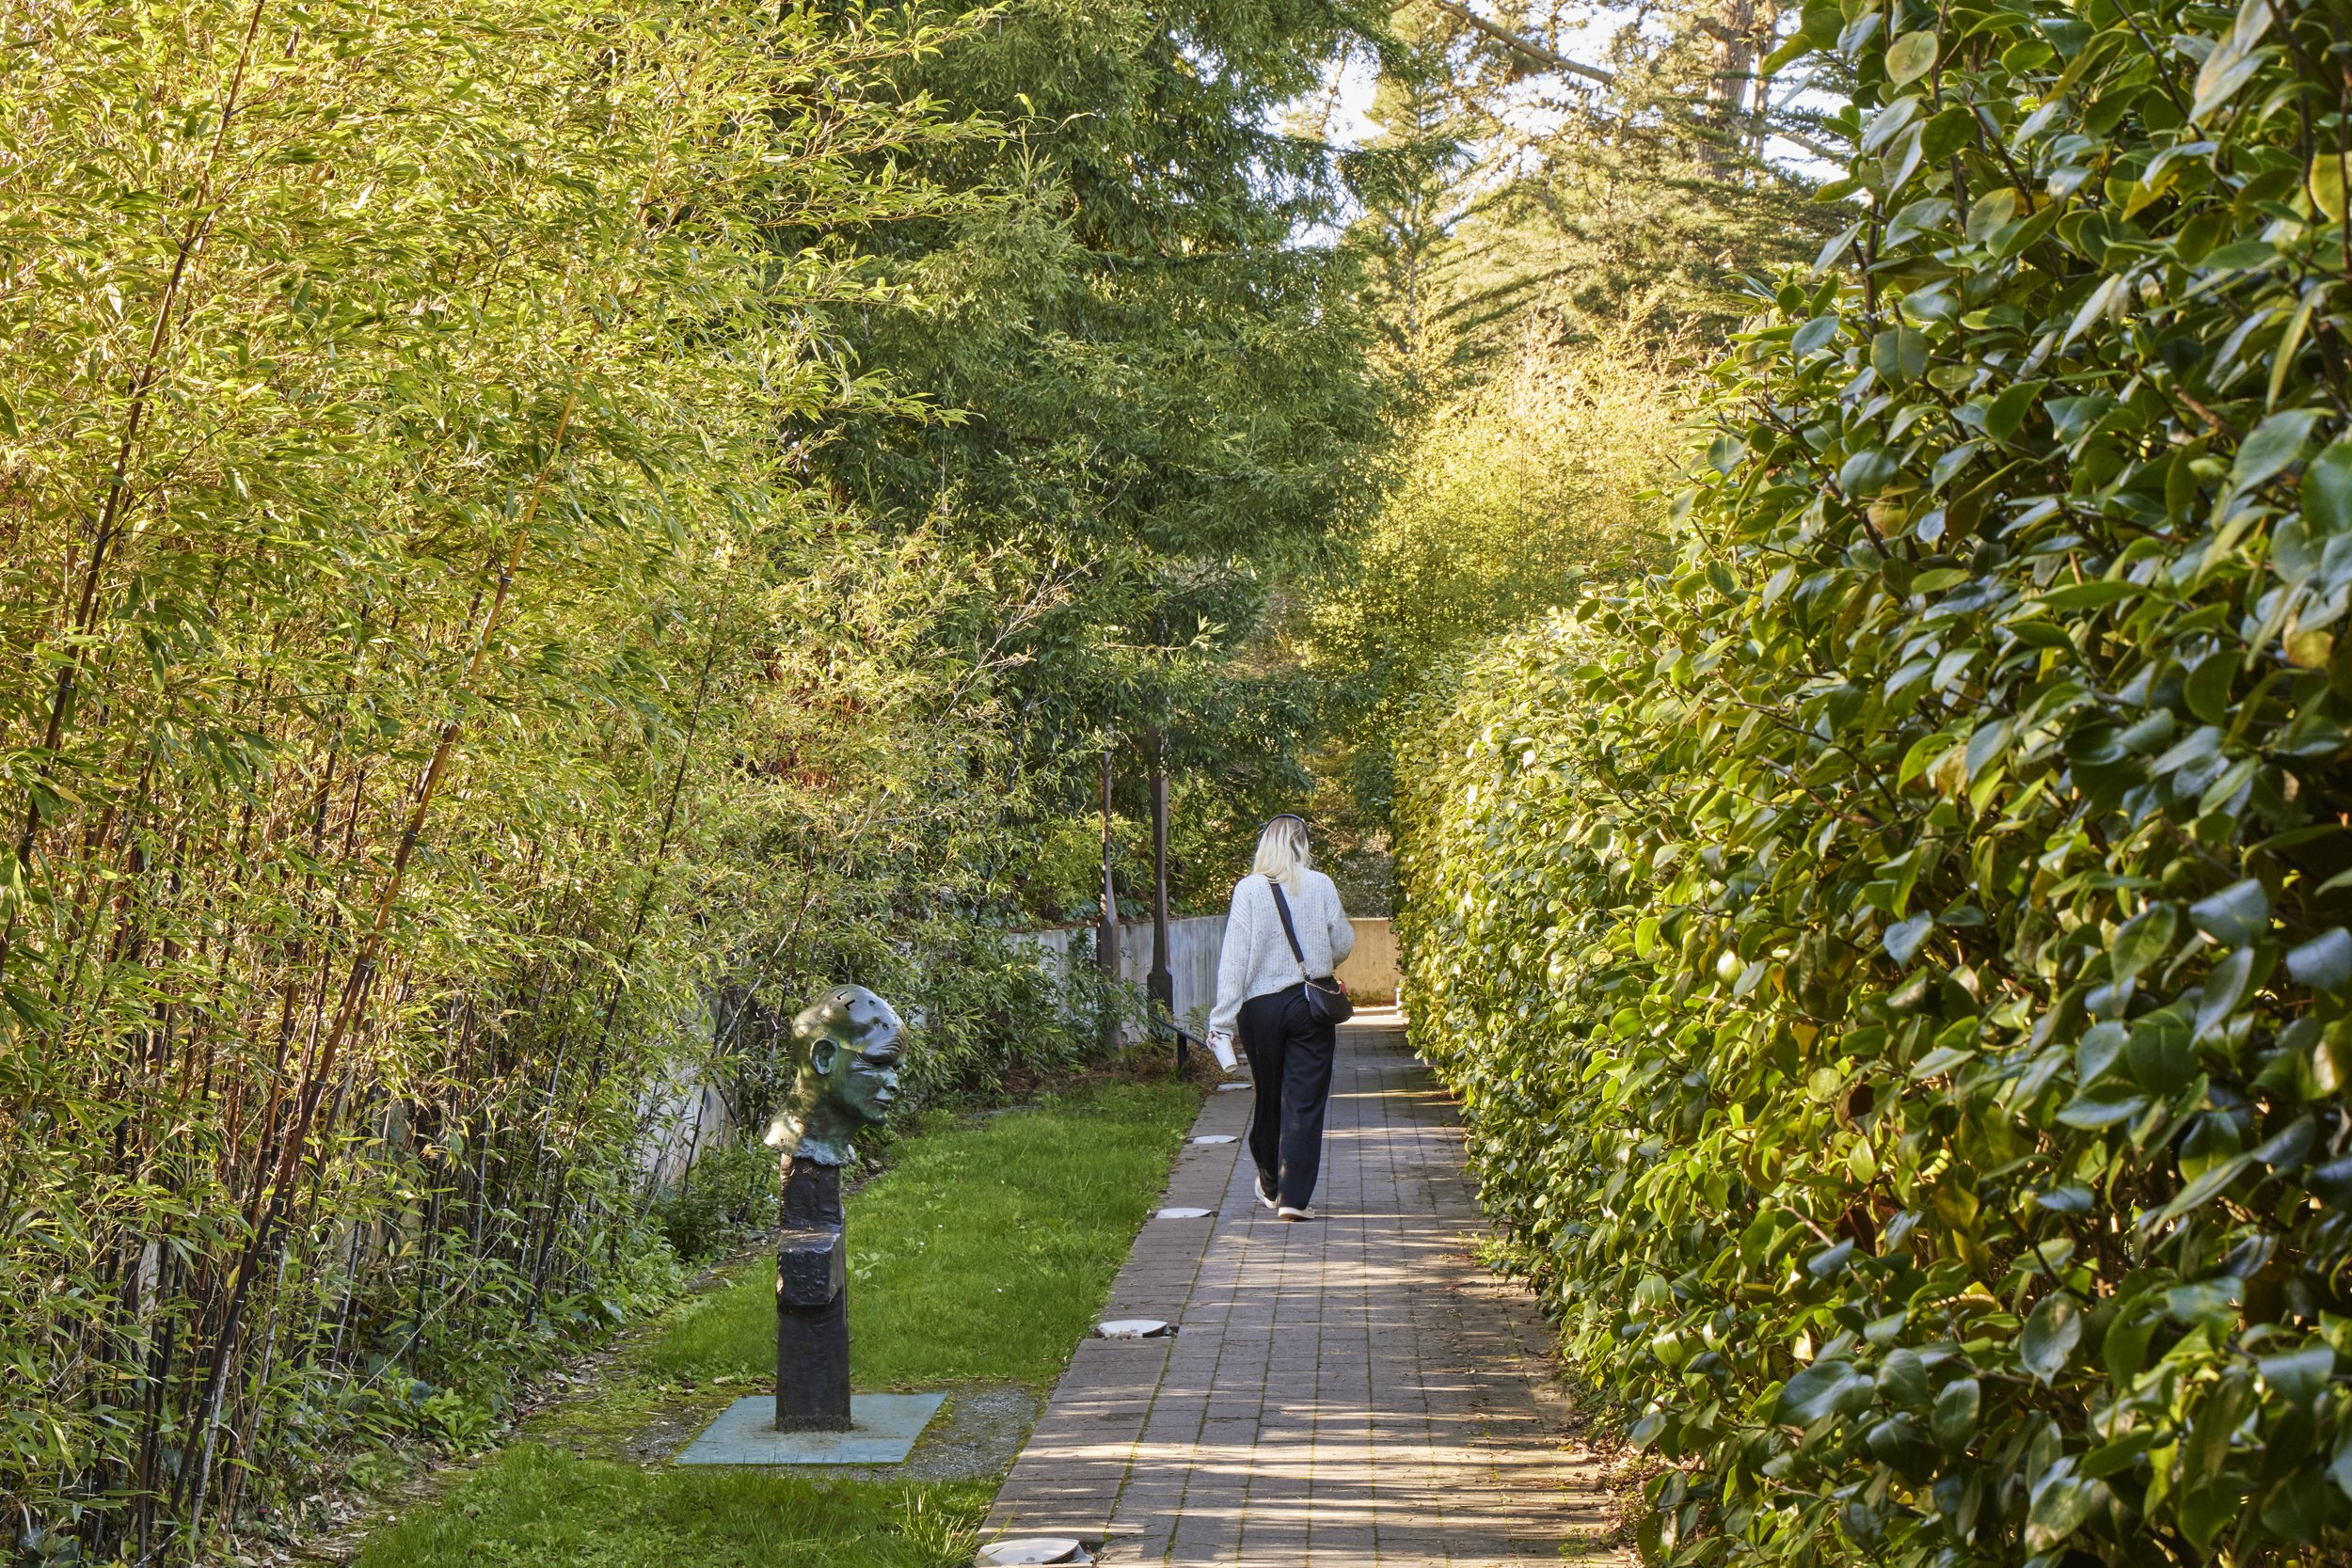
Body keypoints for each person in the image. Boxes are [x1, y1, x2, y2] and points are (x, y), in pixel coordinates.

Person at [1206, 814, 1354, 1221]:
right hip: (1311, 1005)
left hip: (1261, 1009)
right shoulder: (1321, 884)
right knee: (1304, 1101)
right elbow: (1342, 941)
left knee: (1269, 1095)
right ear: (1302, 845)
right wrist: (1318, 957)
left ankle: (1270, 1182)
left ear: (1265, 847)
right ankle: (1293, 1199)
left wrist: (1221, 1021)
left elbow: (1235, 958)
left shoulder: (1249, 890)